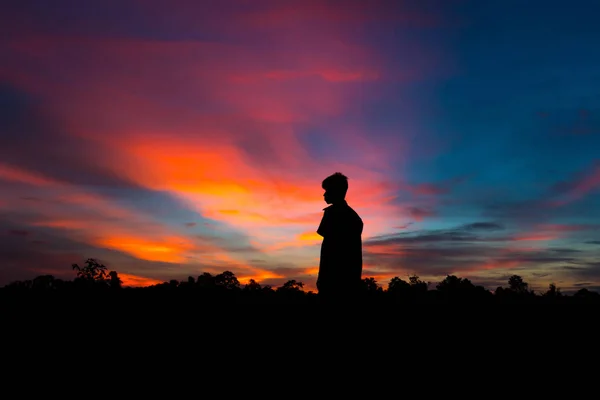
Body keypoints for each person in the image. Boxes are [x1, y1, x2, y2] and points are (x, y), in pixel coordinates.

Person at [316, 172, 364, 303]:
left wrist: (323, 279)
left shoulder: (332, 213)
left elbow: (331, 250)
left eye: (327, 191)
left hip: (333, 280)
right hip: (349, 280)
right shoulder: (354, 217)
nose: (324, 194)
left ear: (336, 192)